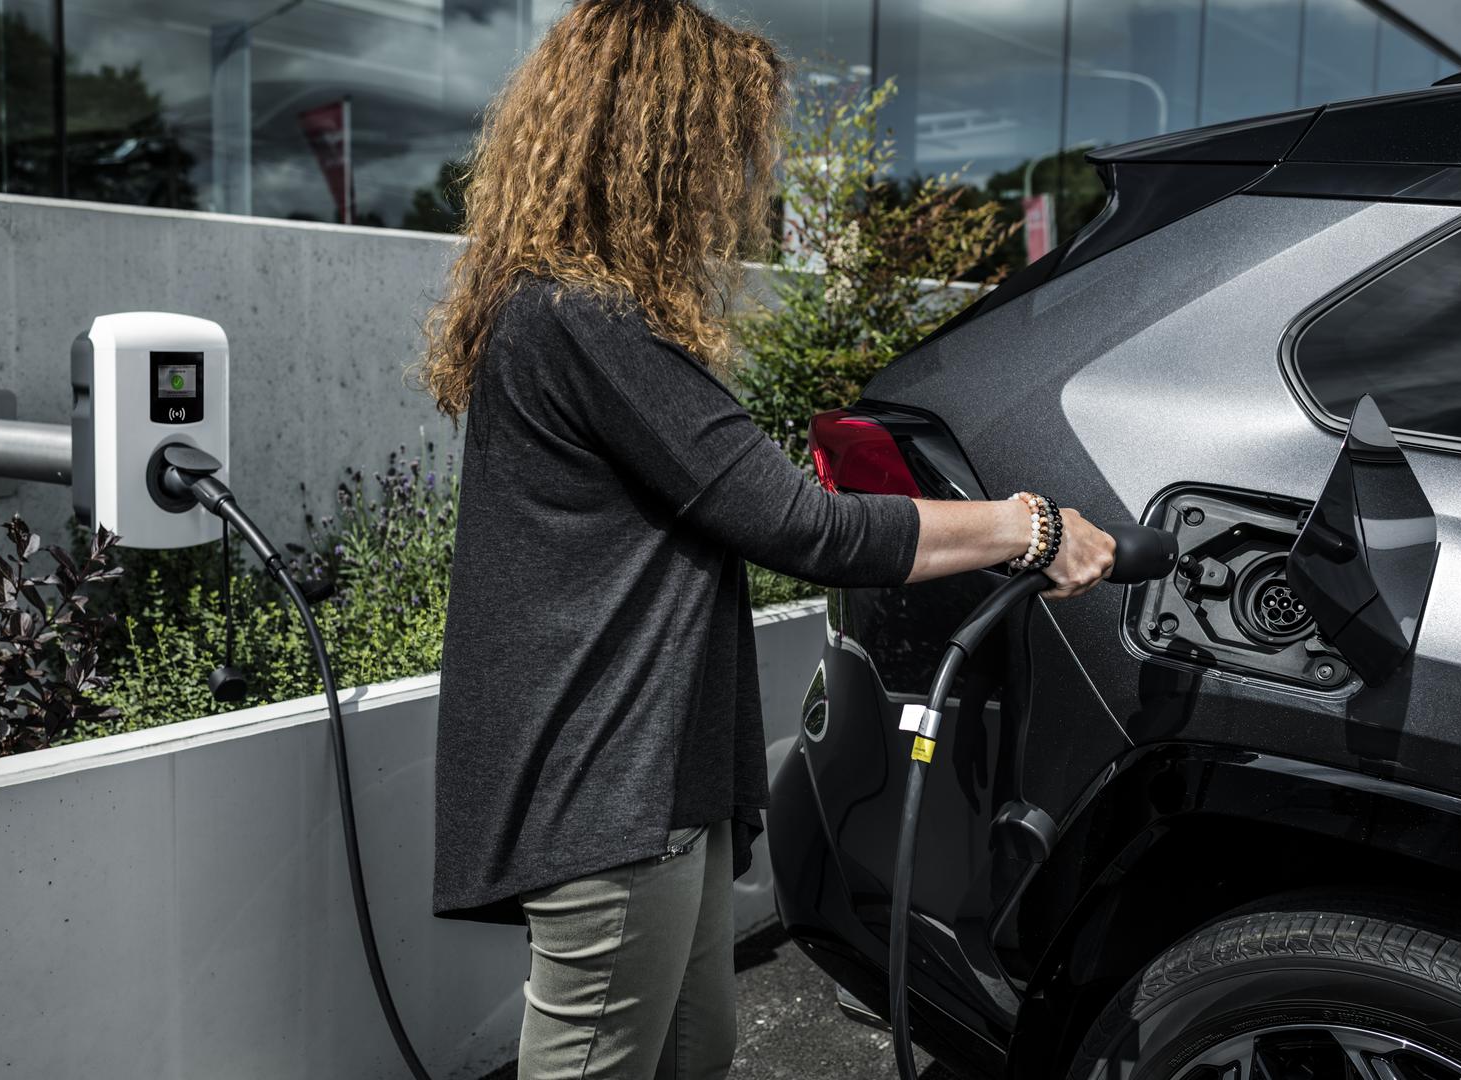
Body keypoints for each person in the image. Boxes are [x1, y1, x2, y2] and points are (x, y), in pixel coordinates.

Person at [417, 2, 1115, 1077]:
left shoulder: (564, 316)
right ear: (653, 144)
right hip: (613, 790)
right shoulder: (583, 321)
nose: (734, 183)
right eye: (721, 148)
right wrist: (1029, 527)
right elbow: (800, 523)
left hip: (655, 786)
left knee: (699, 1051)